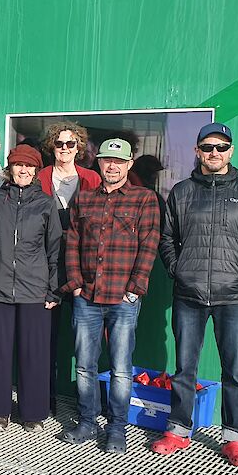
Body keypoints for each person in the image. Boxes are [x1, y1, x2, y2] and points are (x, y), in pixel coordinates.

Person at [60, 138, 160, 454]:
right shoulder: (84, 199)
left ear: (129, 164)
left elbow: (149, 245)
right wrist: (74, 283)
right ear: (99, 164)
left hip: (123, 298)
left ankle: (117, 428)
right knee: (85, 365)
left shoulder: (145, 199)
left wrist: (135, 288)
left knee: (120, 367)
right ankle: (88, 421)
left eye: (119, 161)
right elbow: (72, 243)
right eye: (106, 161)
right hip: (86, 296)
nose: (112, 166)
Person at [151, 123, 238, 467]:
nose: (214, 153)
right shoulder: (182, 191)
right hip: (189, 295)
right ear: (197, 151)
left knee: (235, 370)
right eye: (207, 147)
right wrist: (179, 269)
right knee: (184, 367)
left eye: (221, 147)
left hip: (233, 296)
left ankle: (235, 437)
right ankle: (178, 431)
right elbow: (167, 237)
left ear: (230, 151)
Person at [0, 144, 61, 433]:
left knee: (34, 354)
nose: (23, 170)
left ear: (36, 170)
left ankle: (33, 413)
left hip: (35, 290)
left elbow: (54, 248)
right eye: (18, 165)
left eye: (29, 166)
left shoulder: (45, 203)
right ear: (10, 169)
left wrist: (53, 290)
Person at [38, 121, 101, 413]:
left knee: (84, 337)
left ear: (79, 147)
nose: (65, 149)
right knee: (45, 335)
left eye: (71, 144)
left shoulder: (93, 178)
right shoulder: (39, 177)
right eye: (60, 143)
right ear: (52, 146)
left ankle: (84, 402)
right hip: (44, 265)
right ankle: (45, 396)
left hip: (82, 265)